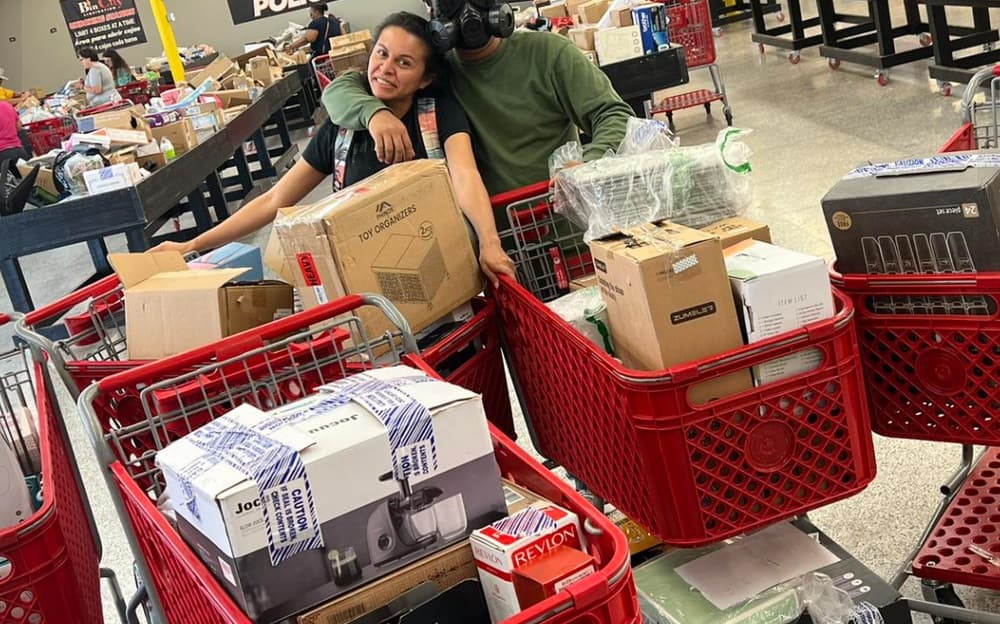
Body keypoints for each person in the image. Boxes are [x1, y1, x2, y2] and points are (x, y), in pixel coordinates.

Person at [153, 12, 515, 286]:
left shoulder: (440, 116)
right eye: (382, 54)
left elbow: (466, 176)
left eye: (404, 63)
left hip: (445, 276)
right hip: (368, 289)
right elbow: (274, 199)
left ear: (426, 78)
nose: (386, 69)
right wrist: (191, 245)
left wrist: (489, 242)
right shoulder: (340, 132)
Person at [321, 0, 634, 198]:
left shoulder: (549, 54)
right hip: (489, 248)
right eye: (452, 3)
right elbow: (341, 89)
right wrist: (375, 114)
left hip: (561, 225)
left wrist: (588, 164)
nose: (468, 11)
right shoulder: (433, 73)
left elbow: (612, 113)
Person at [0, 100, 28, 172]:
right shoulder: (6, 105)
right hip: (19, 151)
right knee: (26, 180)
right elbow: (19, 127)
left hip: (2, 157)